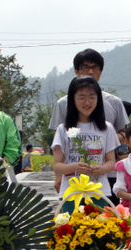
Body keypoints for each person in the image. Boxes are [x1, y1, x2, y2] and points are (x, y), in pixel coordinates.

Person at [48, 49, 129, 205]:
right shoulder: (62, 122)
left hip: (101, 187)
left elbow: (116, 149)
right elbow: (58, 159)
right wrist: (65, 172)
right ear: (76, 70)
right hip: (72, 189)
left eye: (92, 97)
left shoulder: (109, 118)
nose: (87, 102)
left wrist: (103, 166)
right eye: (85, 67)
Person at [51, 76, 119, 213]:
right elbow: (57, 166)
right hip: (71, 192)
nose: (87, 102)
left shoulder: (107, 128)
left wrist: (100, 168)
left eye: (92, 97)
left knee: (100, 232)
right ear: (72, 99)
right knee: (71, 232)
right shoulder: (63, 129)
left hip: (99, 192)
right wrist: (74, 167)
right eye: (81, 97)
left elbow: (111, 162)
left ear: (98, 99)